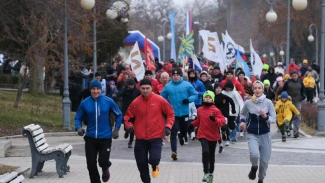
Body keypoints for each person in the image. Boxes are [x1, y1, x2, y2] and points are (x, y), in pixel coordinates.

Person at [124, 78, 174, 183]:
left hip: (156, 136)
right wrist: (128, 126)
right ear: (139, 88)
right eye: (143, 88)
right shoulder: (136, 102)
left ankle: (155, 166)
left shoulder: (160, 100)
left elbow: (170, 114)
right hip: (140, 138)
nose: (145, 90)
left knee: (154, 159)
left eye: (147, 88)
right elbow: (128, 117)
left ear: (152, 88)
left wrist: (168, 126)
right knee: (141, 164)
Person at [74, 79, 123, 183]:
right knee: (91, 164)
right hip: (90, 137)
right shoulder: (85, 103)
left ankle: (105, 168)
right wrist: (78, 128)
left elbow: (119, 114)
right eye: (93, 89)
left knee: (103, 161)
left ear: (101, 89)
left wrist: (117, 129)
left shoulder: (108, 101)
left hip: (105, 137)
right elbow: (78, 117)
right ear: (90, 89)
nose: (95, 91)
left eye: (98, 89)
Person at [239, 80, 276, 183]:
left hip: (265, 135)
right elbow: (242, 114)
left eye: (259, 88)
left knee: (264, 162)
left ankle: (260, 179)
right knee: (255, 155)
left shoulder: (268, 102)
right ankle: (254, 167)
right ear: (253, 90)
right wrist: (242, 122)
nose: (257, 90)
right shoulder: (248, 102)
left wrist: (265, 116)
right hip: (252, 134)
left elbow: (273, 119)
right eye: (255, 88)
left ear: (262, 89)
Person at [161, 68, 198, 160]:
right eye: (174, 75)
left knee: (184, 130)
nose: (176, 77)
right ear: (172, 76)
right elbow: (162, 98)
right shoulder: (168, 86)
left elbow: (195, 94)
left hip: (185, 112)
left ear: (180, 76)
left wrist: (188, 100)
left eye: (177, 75)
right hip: (173, 113)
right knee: (173, 132)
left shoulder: (187, 85)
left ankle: (182, 136)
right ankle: (174, 152)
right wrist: (166, 105)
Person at [191, 91, 226, 182]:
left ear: (212, 99)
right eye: (206, 97)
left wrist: (215, 119)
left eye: (209, 97)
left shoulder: (215, 110)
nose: (207, 98)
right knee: (205, 152)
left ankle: (211, 173)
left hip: (213, 135)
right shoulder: (200, 109)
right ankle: (205, 172)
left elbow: (222, 121)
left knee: (211, 155)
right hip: (202, 134)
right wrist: (191, 125)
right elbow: (199, 121)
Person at [118, 78, 141, 148]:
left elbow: (140, 97)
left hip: (134, 110)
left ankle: (130, 141)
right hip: (126, 109)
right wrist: (125, 89)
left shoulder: (137, 90)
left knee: (132, 126)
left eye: (132, 85)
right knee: (126, 124)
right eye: (130, 85)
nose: (131, 87)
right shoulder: (124, 89)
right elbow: (119, 94)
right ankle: (126, 131)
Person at [282, 70, 305, 138]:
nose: (294, 77)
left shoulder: (300, 82)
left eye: (295, 76)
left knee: (297, 116)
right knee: (290, 115)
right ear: (291, 76)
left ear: (297, 76)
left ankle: (296, 131)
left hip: (298, 101)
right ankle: (288, 126)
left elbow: (303, 90)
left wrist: (303, 96)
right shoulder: (288, 83)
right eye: (293, 76)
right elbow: (283, 91)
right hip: (289, 102)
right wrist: (286, 96)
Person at [214, 82, 236, 150]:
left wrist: (233, 110)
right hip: (216, 115)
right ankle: (220, 142)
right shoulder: (213, 97)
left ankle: (227, 139)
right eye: (217, 88)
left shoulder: (224, 97)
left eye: (220, 88)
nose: (218, 89)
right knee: (217, 129)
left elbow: (232, 102)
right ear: (214, 89)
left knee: (225, 126)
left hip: (225, 114)